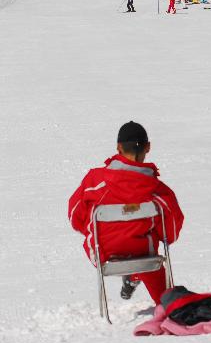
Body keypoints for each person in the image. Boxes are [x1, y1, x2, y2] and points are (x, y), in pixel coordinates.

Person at [68, 122, 184, 304]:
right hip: (145, 255)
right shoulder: (159, 191)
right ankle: (166, 303)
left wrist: (99, 230)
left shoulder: (95, 180)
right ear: (148, 147)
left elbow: (75, 217)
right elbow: (172, 231)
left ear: (119, 147)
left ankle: (134, 277)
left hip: (102, 254)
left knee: (138, 251)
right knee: (149, 257)